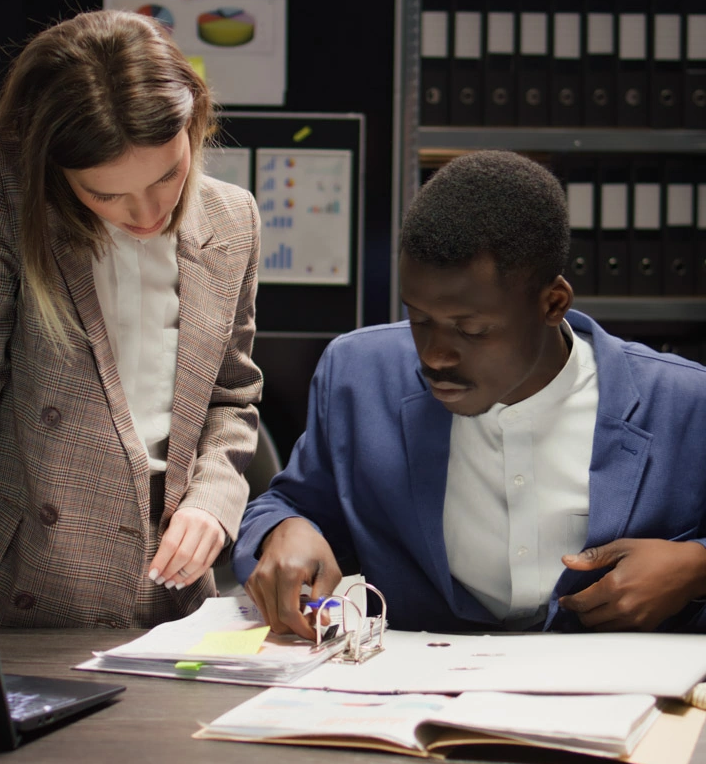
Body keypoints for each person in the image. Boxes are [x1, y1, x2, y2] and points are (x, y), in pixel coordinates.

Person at [235, 149, 706, 639]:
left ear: (553, 304)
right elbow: (290, 505)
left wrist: (697, 568)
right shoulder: (359, 377)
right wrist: (285, 531)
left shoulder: (684, 402)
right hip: (416, 696)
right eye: (419, 319)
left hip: (627, 699)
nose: (435, 355)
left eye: (473, 330)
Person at [0, 9, 263, 628]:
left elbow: (233, 397)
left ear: (194, 123)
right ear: (52, 167)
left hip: (168, 578)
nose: (149, 212)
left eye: (168, 175)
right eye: (107, 195)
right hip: (25, 572)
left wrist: (214, 502)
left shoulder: (232, 219)